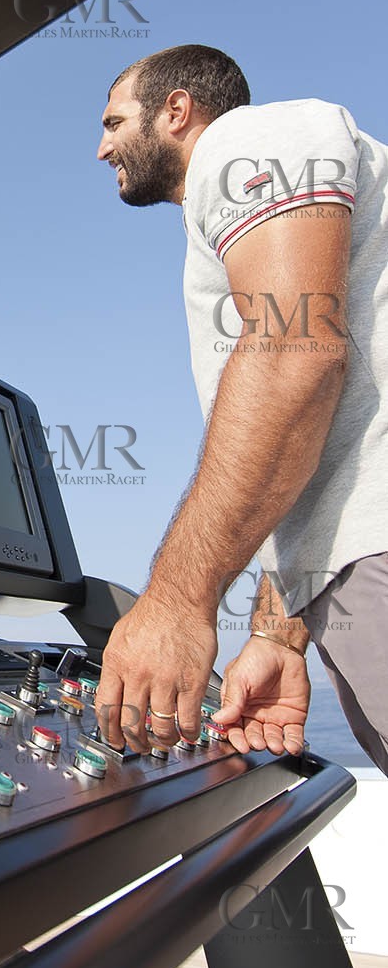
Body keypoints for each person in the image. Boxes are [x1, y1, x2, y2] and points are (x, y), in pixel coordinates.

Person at [93, 44, 388, 773]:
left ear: (175, 110)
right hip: (346, 572)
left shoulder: (248, 138)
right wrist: (277, 633)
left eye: (112, 121)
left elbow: (294, 354)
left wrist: (173, 602)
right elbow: (304, 444)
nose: (101, 148)